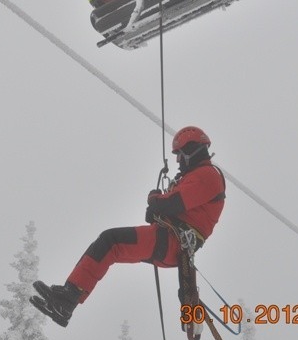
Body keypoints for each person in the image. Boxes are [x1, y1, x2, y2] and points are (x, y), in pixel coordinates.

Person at [30, 126, 226, 327]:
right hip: (171, 238)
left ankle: (68, 298)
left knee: (111, 241)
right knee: (110, 243)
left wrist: (155, 200)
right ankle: (68, 298)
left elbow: (173, 203)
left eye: (179, 155)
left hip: (174, 241)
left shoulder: (207, 175)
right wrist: (157, 209)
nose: (177, 161)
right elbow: (173, 206)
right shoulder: (195, 177)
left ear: (190, 150)